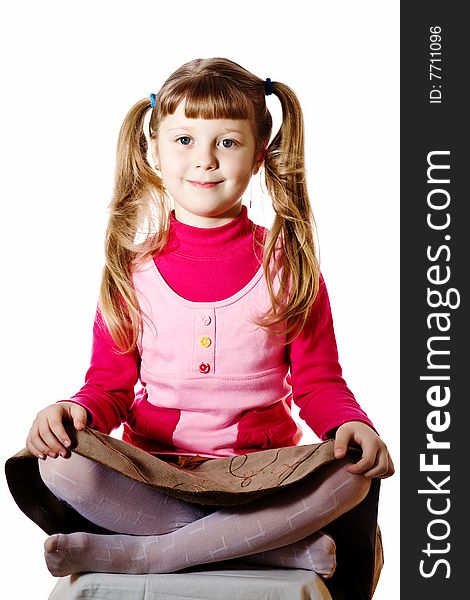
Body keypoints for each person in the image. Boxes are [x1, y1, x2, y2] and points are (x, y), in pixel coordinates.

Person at [9, 57, 394, 597]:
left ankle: (148, 553)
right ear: (154, 151)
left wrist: (351, 425)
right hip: (154, 473)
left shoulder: (287, 264)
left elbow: (319, 383)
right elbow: (109, 386)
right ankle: (275, 548)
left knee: (352, 474)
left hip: (262, 478)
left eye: (228, 143)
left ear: (259, 155)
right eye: (184, 140)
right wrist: (75, 411)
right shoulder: (132, 269)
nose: (205, 160)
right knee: (57, 467)